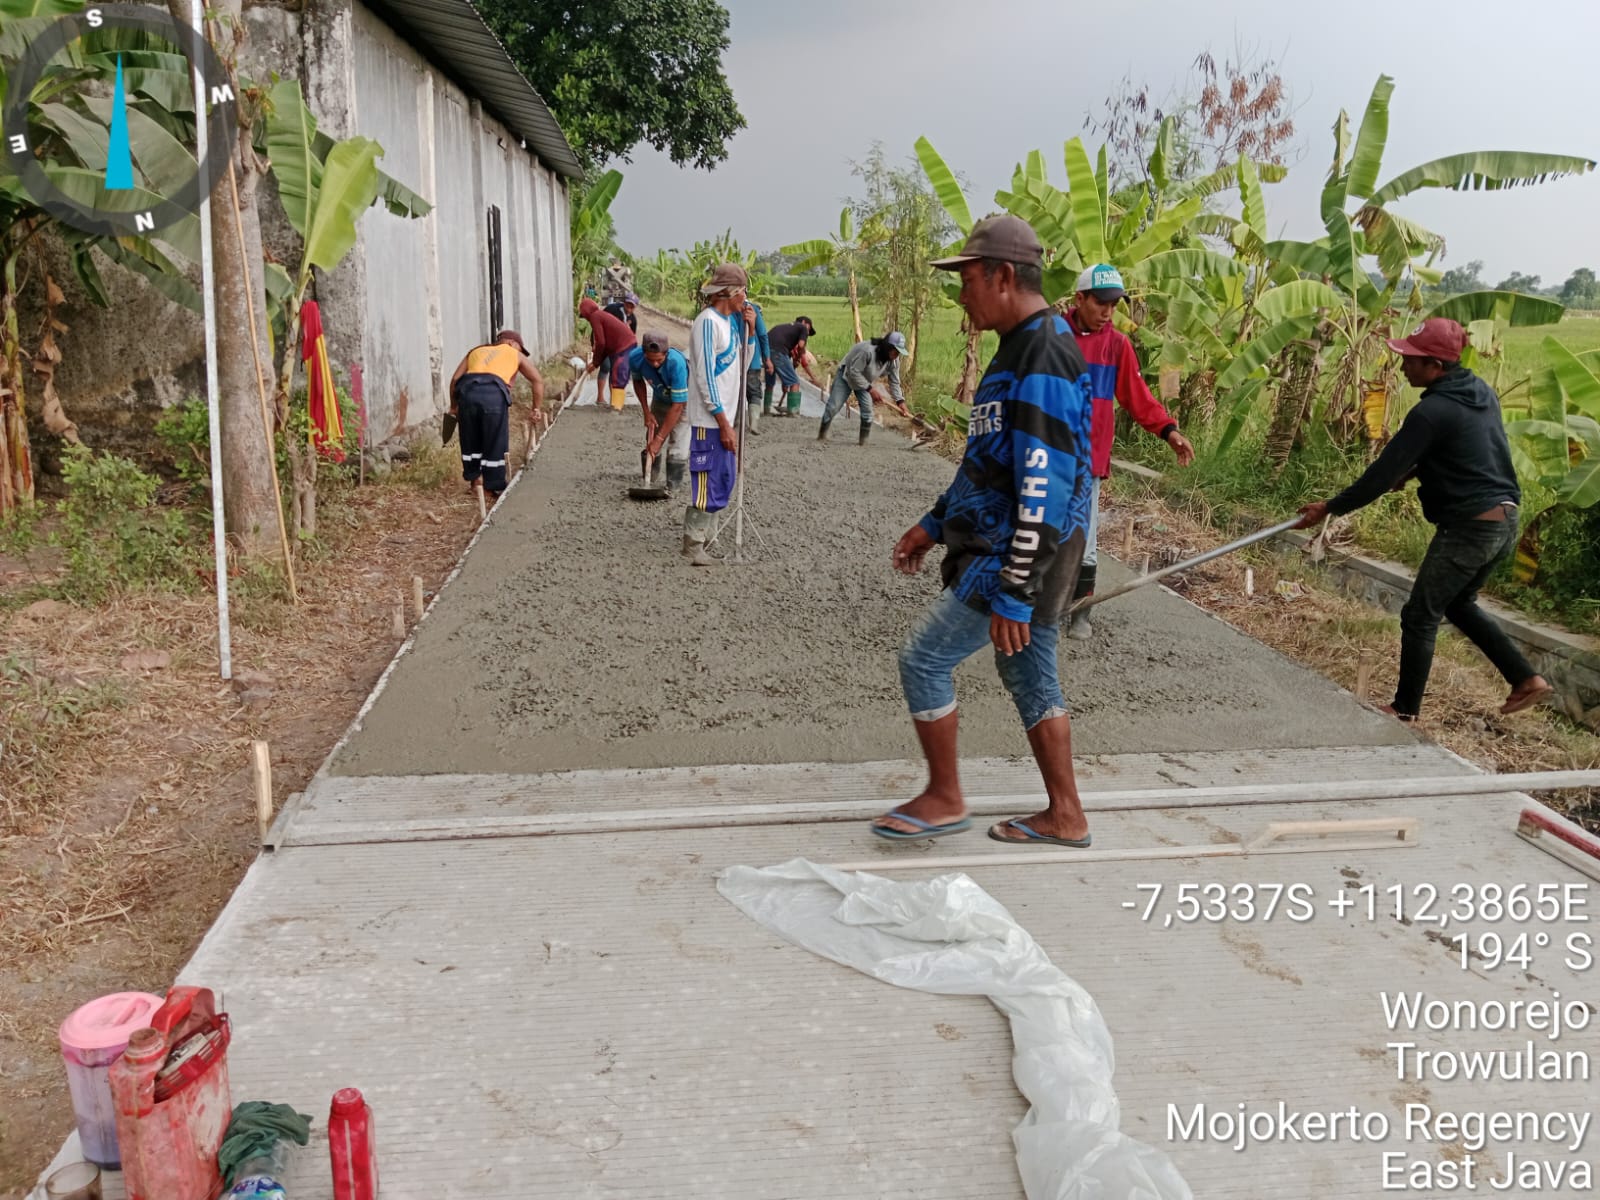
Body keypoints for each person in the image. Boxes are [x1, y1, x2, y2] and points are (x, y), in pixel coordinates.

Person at [873, 214, 1096, 847]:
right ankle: (1066, 815)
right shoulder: (1018, 344)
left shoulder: (1043, 353)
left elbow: (1046, 483)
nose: (961, 294)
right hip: (1015, 547)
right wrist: (934, 523)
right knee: (1028, 673)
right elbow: (990, 462)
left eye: (968, 280)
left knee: (924, 658)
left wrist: (1016, 588)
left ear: (1002, 277)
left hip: (1014, 553)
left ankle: (944, 797)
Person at [1294, 318, 1552, 721]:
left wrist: (1328, 507)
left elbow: (1378, 477)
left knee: (1419, 615)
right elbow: (1464, 449)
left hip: (1470, 526)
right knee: (1459, 603)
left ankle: (1404, 711)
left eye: (1411, 360)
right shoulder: (1479, 392)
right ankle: (1526, 679)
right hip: (1504, 520)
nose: (1403, 366)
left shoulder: (1430, 411)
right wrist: (1413, 471)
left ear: (1435, 366)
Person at [1063, 263, 1195, 640]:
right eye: (1100, 303)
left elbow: (1138, 398)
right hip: (1048, 456)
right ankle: (1036, 604)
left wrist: (1169, 431)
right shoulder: (1054, 336)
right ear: (1080, 299)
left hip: (1089, 461)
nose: (1108, 312)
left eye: (1113, 305)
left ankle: (1080, 612)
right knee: (1042, 530)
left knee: (1084, 538)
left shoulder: (1117, 346)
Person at [680, 263, 754, 566]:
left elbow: (741, 368)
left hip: (725, 417)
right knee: (707, 479)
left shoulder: (730, 324)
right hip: (709, 420)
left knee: (723, 477)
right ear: (730, 293)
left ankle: (708, 536)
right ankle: (693, 543)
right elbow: (705, 376)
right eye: (743, 291)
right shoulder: (708, 323)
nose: (746, 298)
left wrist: (750, 333)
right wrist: (723, 422)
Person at [447, 329, 544, 501]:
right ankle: (490, 487)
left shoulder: (475, 351)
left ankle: (475, 482)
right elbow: (537, 379)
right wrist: (536, 409)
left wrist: (454, 407)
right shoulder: (514, 353)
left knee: (470, 439)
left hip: (468, 394)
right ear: (512, 343)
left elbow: (455, 380)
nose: (521, 352)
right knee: (494, 441)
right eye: (520, 348)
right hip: (493, 395)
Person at [819, 331, 910, 445]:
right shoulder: (867, 351)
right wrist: (871, 390)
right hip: (847, 374)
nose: (897, 355)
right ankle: (822, 434)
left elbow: (894, 382)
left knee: (867, 412)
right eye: (895, 351)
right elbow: (854, 372)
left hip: (865, 381)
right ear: (888, 347)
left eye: (899, 353)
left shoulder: (894, 361)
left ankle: (863, 442)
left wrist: (900, 401)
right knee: (834, 406)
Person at [632, 331, 690, 492]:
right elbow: (637, 381)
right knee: (651, 437)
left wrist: (659, 439)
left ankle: (673, 485)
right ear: (643, 353)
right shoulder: (635, 358)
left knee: (678, 440)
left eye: (659, 360)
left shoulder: (676, 363)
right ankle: (650, 477)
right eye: (650, 360)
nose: (655, 364)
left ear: (666, 353)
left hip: (684, 401)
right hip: (660, 398)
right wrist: (646, 411)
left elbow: (678, 406)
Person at [579, 297, 637, 412]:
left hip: (625, 346)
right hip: (621, 346)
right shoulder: (600, 315)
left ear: (586, 312)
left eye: (584, 316)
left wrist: (595, 362)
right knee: (615, 375)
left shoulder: (595, 316)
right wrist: (596, 363)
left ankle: (616, 408)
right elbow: (604, 346)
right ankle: (615, 406)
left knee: (618, 374)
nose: (585, 318)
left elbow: (601, 343)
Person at [764, 316, 823, 418]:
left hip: (766, 352)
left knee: (770, 382)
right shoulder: (803, 328)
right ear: (805, 323)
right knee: (794, 382)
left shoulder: (786, 330)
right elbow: (801, 345)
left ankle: (766, 410)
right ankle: (793, 412)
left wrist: (785, 382)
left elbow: (785, 363)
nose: (808, 333)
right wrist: (799, 355)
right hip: (778, 351)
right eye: (809, 329)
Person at [740, 297, 772, 435]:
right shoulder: (752, 309)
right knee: (754, 392)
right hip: (752, 360)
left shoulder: (728, 308)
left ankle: (736, 421)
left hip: (734, 361)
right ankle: (753, 423)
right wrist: (767, 358)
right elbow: (763, 335)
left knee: (736, 391)